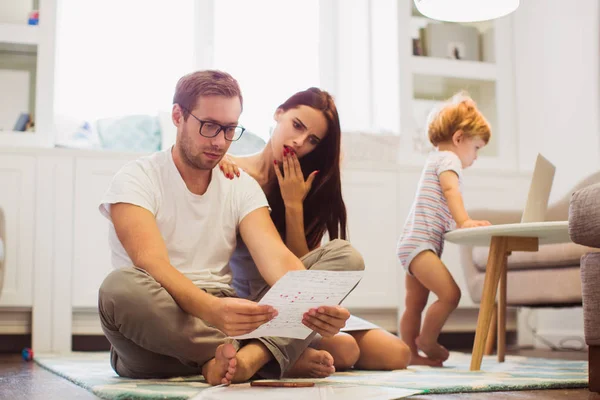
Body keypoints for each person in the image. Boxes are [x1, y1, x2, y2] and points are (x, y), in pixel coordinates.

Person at [96, 70, 365, 386]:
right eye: (209, 126)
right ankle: (264, 357)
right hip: (164, 314)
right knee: (118, 289)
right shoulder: (136, 178)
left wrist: (318, 304)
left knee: (345, 256)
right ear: (177, 116)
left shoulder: (240, 185)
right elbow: (151, 264)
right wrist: (210, 310)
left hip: (231, 313)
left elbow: (278, 262)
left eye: (229, 129)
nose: (220, 142)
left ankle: (231, 361)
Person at [218, 87, 411, 376]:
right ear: (279, 113)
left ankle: (275, 357)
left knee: (397, 353)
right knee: (344, 350)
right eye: (296, 125)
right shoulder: (231, 170)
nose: (298, 143)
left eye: (312, 140)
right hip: (249, 303)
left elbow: (302, 274)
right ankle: (270, 356)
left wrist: (293, 205)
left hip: (294, 306)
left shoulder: (304, 186)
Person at [396, 91, 492, 366]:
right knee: (451, 294)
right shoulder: (449, 160)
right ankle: (426, 341)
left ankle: (410, 355)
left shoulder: (436, 159)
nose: (475, 157)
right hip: (421, 245)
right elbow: (451, 191)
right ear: (459, 138)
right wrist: (464, 221)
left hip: (412, 243)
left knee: (414, 304)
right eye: (476, 148)